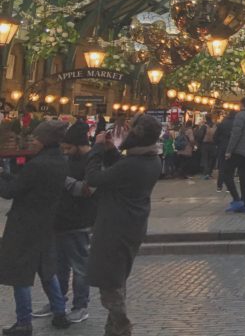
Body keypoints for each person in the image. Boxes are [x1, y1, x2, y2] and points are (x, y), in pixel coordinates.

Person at [85, 114, 163, 336]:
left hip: (114, 226)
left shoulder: (133, 164)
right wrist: (111, 151)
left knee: (109, 283)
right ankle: (113, 330)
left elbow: (93, 179)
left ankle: (122, 325)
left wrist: (97, 149)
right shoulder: (150, 159)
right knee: (117, 277)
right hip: (132, 225)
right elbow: (121, 171)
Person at [0, 120, 71, 333]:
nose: (33, 141)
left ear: (44, 140)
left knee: (19, 274)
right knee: (47, 271)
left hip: (25, 225)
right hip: (46, 223)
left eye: (36, 138)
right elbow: (24, 184)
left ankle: (24, 322)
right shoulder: (59, 160)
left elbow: (11, 191)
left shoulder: (38, 164)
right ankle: (60, 313)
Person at [33, 122, 96, 324]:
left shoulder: (91, 160)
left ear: (79, 145)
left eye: (68, 148)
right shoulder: (66, 159)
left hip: (79, 221)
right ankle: (57, 302)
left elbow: (89, 189)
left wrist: (64, 180)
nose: (65, 152)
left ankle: (80, 306)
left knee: (79, 267)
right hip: (58, 219)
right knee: (58, 266)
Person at [213, 109, 234, 191]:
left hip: (222, 147)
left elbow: (215, 137)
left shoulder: (222, 124)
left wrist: (219, 144)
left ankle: (219, 186)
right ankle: (229, 186)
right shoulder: (236, 124)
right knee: (231, 168)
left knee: (221, 167)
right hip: (232, 148)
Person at [197, 114, 218, 180]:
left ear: (206, 118)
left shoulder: (204, 126)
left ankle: (206, 173)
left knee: (205, 159)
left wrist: (199, 143)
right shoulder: (215, 126)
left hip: (205, 144)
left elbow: (200, 136)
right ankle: (209, 173)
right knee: (211, 159)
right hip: (213, 145)